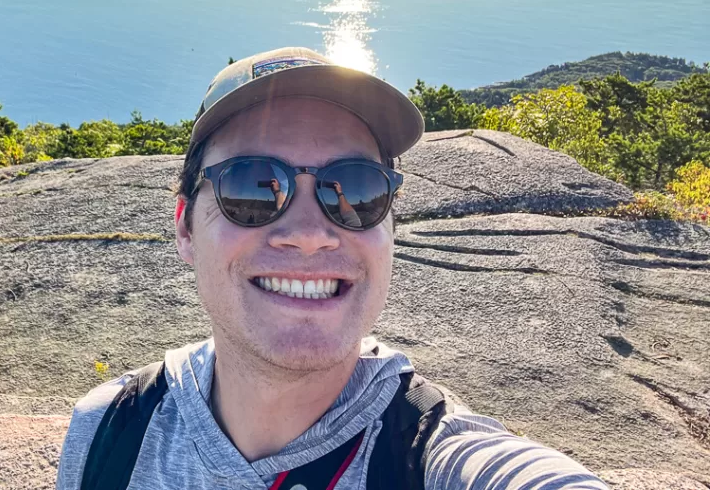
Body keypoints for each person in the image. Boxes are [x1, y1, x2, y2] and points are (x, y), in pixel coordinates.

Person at [56, 47, 608, 489]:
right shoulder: (110, 430)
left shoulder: (428, 459)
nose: (309, 234)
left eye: (354, 191)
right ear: (184, 227)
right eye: (251, 187)